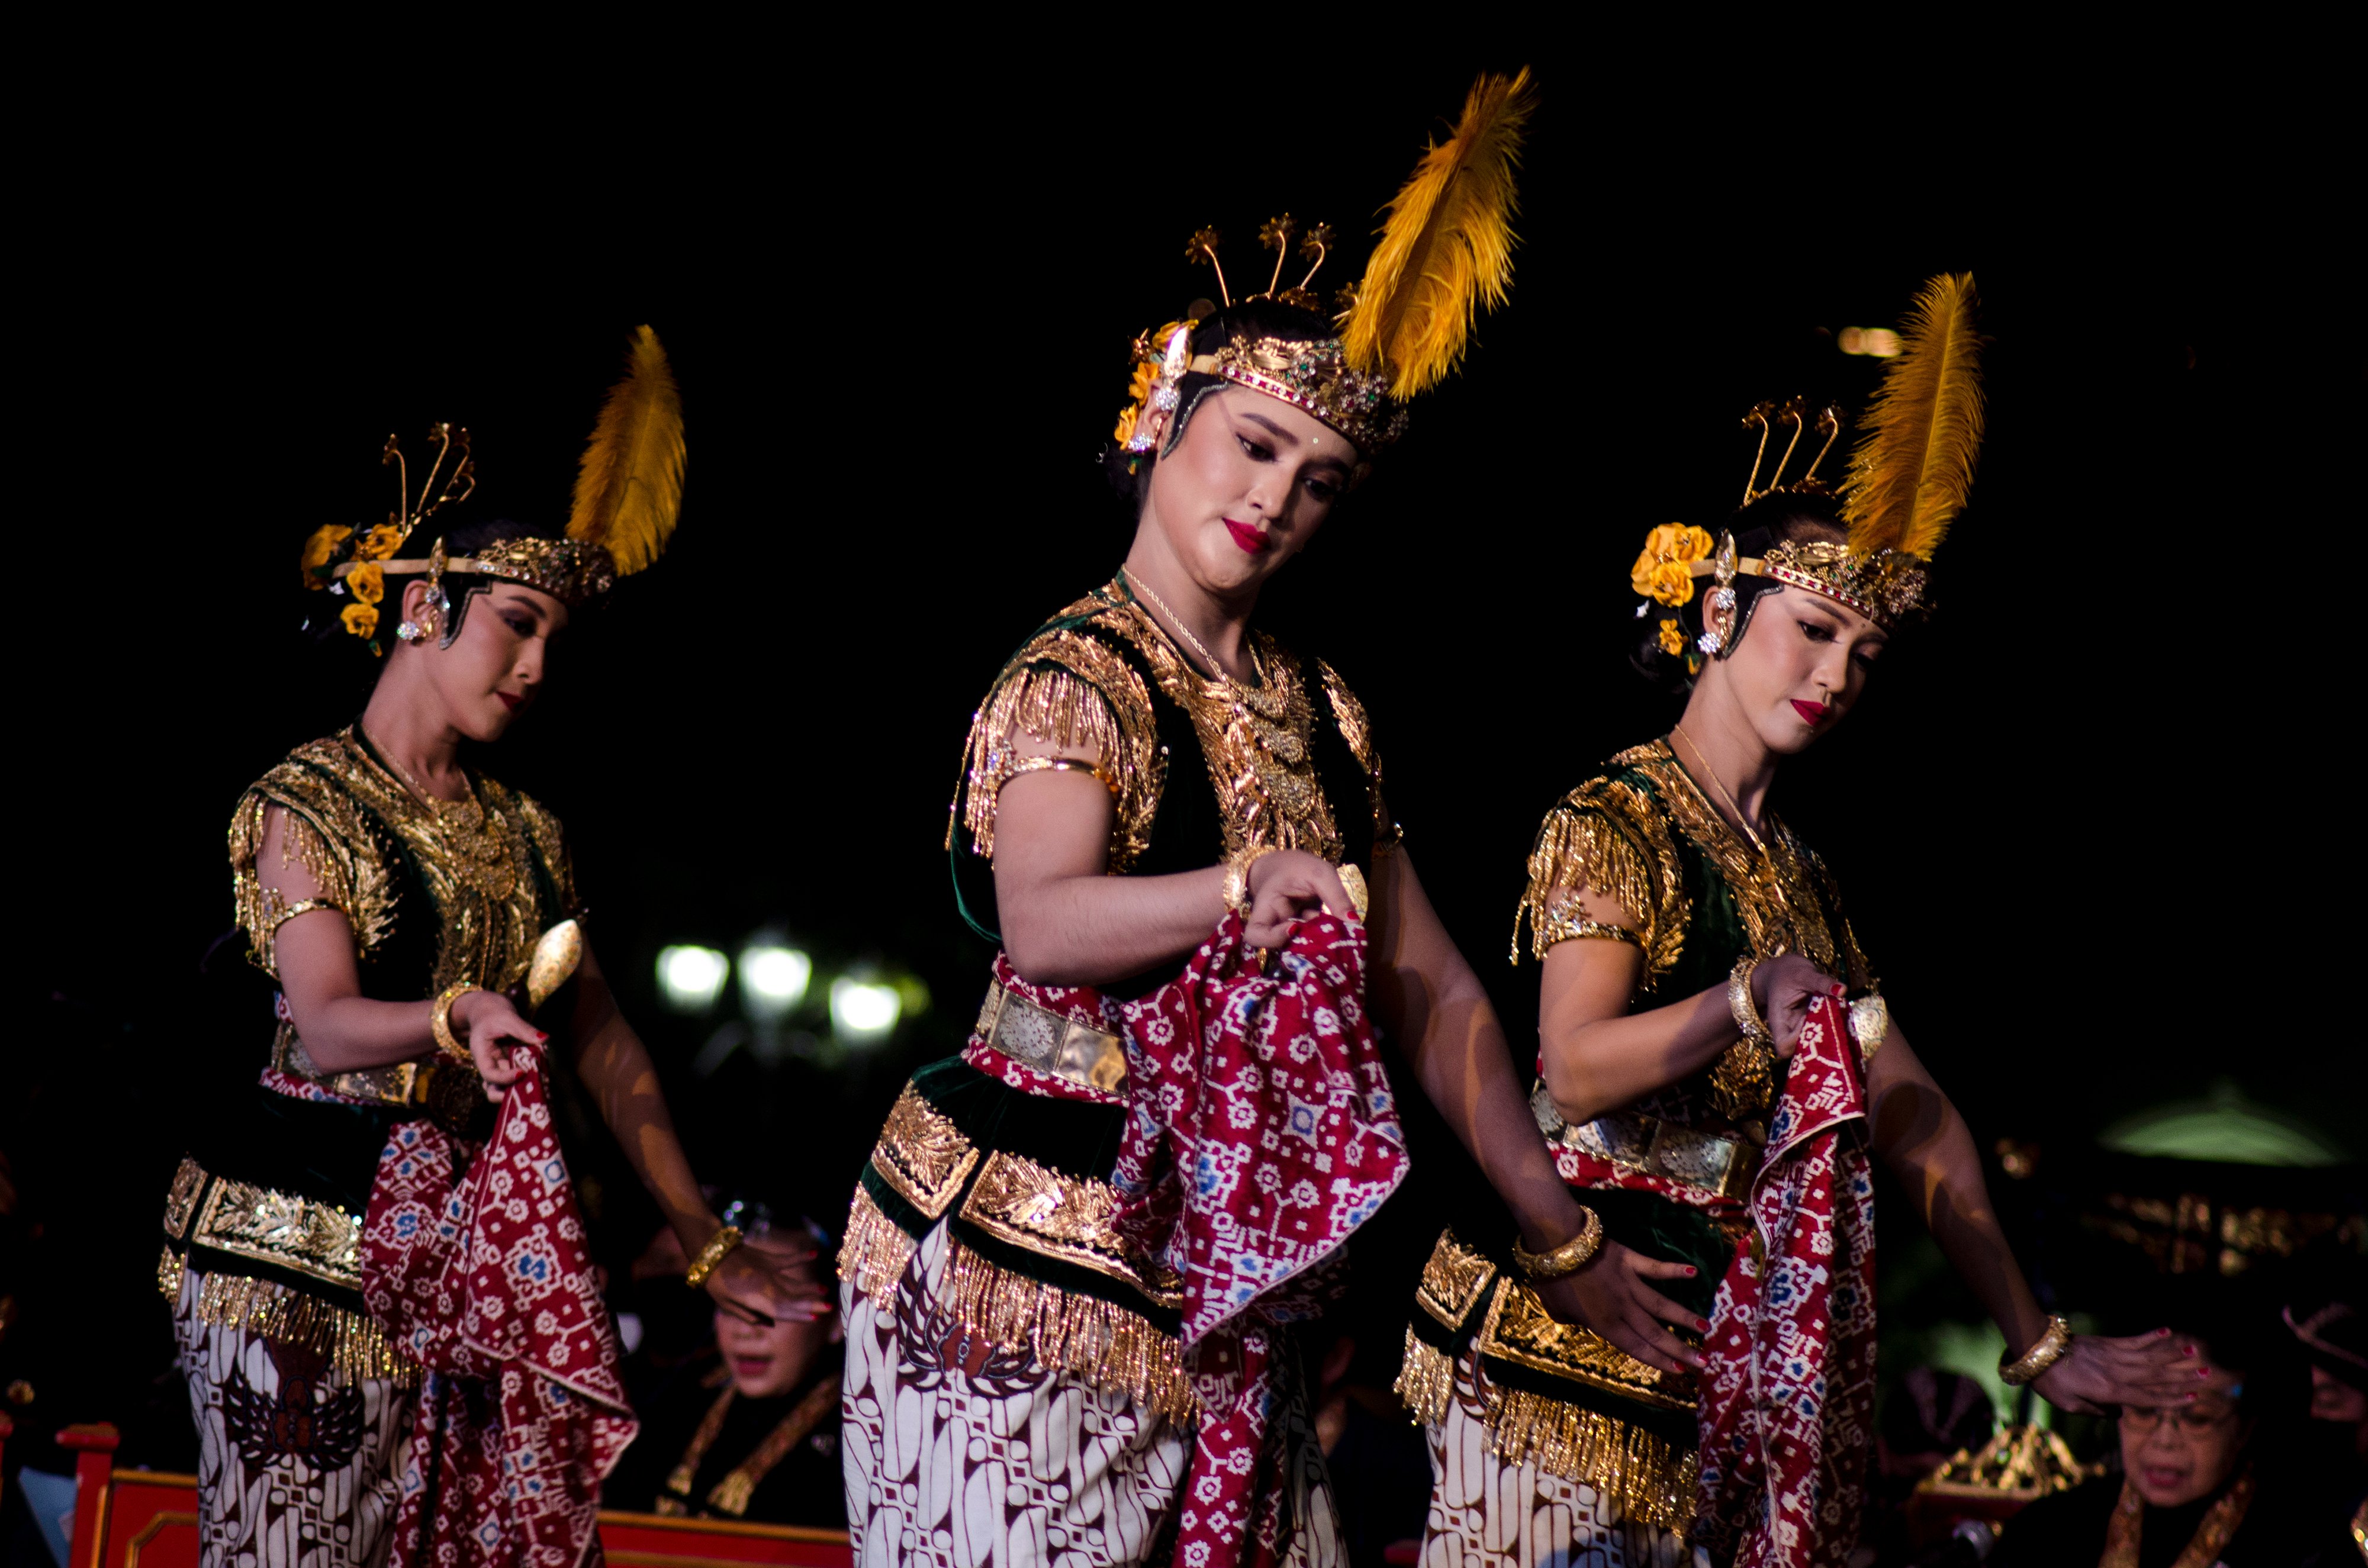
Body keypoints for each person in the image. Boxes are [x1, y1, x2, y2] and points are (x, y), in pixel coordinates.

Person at [836, 71, 1680, 1567]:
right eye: (1253, 443)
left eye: (1320, 478)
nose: (1277, 496)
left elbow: (1427, 988)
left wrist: (1560, 1235)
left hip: (1238, 1287)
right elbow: (1042, 913)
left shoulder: (1326, 709)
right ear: (1163, 417)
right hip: (1029, 1259)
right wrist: (1240, 889)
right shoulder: (1075, 671)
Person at [1395, 278, 2197, 1564]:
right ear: (1719, 606)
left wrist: (2035, 1337)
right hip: (1555, 1367)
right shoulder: (1617, 816)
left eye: (1865, 656)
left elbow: (1913, 1115)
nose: (1834, 676)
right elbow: (1571, 1060)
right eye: (1814, 629)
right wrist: (1732, 999)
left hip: (1720, 1387)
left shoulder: (1805, 877)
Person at [158, 330, 818, 1568]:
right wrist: (454, 1013)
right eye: (515, 623)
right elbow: (324, 1019)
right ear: (423, 603)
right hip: (299, 1258)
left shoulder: (524, 830)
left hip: (466, 1269)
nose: (534, 666)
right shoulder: (306, 801)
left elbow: (600, 1034)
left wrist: (702, 1236)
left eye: (555, 641)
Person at [1990, 1310, 2353, 1566]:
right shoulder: (2048, 1533)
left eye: (2197, 1417)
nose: (2164, 1440)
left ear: (2245, 1426)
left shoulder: (2305, 1548)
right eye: (2144, 1411)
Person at [606, 1200, 846, 1527]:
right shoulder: (677, 1404)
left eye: (777, 1302)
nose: (746, 1328)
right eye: (732, 1303)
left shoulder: (860, 1441)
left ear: (836, 1320)